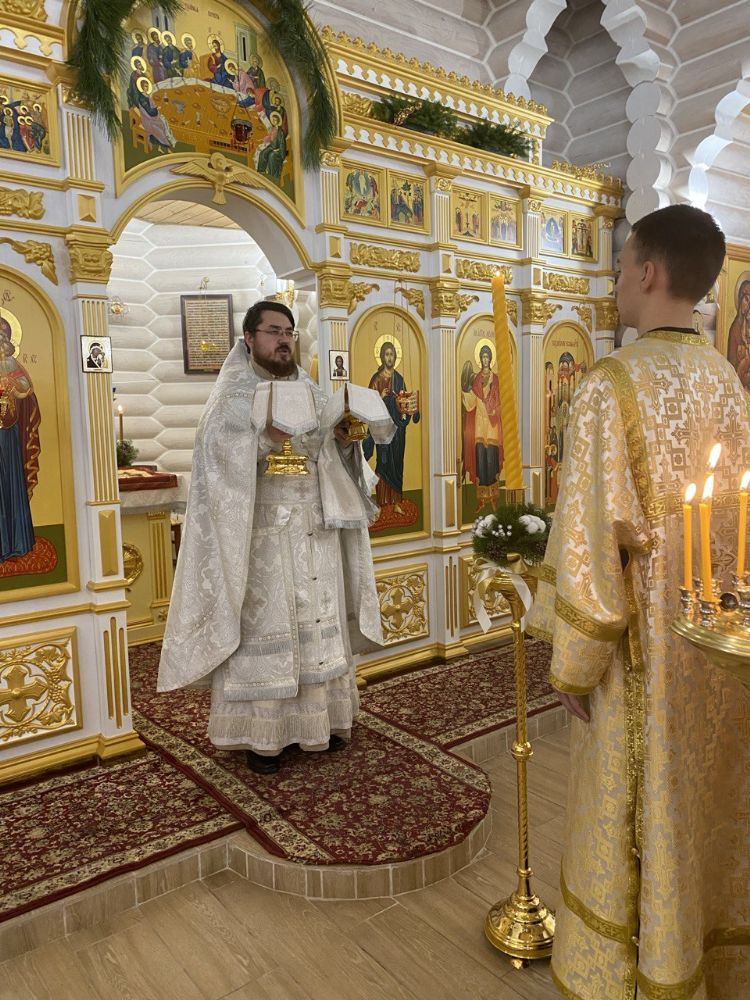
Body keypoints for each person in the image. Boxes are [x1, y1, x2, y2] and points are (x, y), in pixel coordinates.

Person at [527, 205, 750, 998]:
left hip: (643, 658)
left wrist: (573, 665)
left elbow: (591, 549)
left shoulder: (608, 386)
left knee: (639, 806)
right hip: (719, 648)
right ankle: (703, 963)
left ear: (648, 272)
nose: (616, 281)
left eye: (622, 266)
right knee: (706, 800)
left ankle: (638, 973)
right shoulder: (728, 383)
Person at [158, 301, 393, 775]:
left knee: (318, 625)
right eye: (273, 331)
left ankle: (324, 723)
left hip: (317, 532)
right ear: (249, 338)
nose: (284, 340)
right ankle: (264, 738)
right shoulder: (232, 396)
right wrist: (262, 438)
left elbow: (324, 454)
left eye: (289, 332)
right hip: (260, 538)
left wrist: (344, 440)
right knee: (270, 630)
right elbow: (214, 462)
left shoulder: (311, 390)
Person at [363, 340, 420, 517]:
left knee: (397, 464)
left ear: (395, 357)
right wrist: (381, 397)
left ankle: (396, 502)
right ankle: (381, 503)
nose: (389, 358)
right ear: (382, 356)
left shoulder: (399, 379)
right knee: (383, 464)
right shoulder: (376, 379)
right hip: (382, 430)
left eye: (392, 355)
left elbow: (404, 401)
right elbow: (368, 404)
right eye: (387, 354)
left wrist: (410, 405)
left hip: (398, 431)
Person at [0, 317, 40, 562]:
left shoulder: (12, 364)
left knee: (11, 483)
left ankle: (16, 541)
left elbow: (27, 390)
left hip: (9, 432)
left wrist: (15, 390)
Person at [461, 344, 503, 510]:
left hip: (492, 426)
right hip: (479, 425)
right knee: (480, 461)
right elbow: (471, 403)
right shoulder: (476, 380)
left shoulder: (496, 380)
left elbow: (501, 402)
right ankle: (482, 499)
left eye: (487, 356)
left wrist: (495, 409)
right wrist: (463, 392)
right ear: (480, 359)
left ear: (490, 358)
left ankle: (493, 497)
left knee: (492, 460)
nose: (485, 359)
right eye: (483, 356)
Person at [727, 277, 750, 390]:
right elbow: (731, 364)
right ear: (740, 300)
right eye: (746, 299)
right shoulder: (735, 329)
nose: (749, 305)